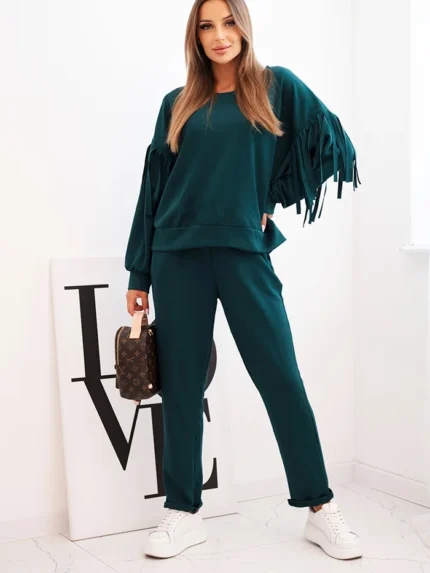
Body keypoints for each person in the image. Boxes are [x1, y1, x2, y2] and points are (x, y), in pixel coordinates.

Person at [124, 0, 362, 562]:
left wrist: (268, 198)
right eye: (207, 26)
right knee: (182, 387)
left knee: (280, 376)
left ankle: (320, 507)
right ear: (196, 36)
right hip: (176, 253)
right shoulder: (177, 103)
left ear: (244, 26)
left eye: (228, 22)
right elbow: (153, 188)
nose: (219, 35)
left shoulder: (276, 87)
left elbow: (330, 142)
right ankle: (182, 512)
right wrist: (139, 272)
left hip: (244, 253)